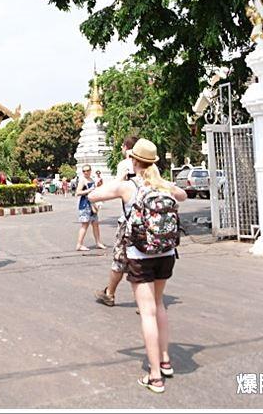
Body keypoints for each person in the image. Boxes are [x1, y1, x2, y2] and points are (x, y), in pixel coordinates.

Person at [88, 138, 187, 393]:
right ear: (154, 162)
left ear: (133, 161)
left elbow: (92, 195)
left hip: (140, 255)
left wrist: (121, 176)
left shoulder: (128, 187)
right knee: (159, 305)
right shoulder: (165, 185)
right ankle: (165, 361)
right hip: (166, 252)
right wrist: (165, 183)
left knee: (147, 312)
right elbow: (184, 196)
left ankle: (155, 376)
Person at [95, 135, 138, 307]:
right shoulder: (151, 166)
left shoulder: (125, 164)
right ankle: (147, 301)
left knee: (120, 259)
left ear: (126, 148)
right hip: (148, 219)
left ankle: (110, 294)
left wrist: (98, 198)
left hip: (129, 220)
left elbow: (116, 185)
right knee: (141, 260)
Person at [75, 164, 106, 251]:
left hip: (93, 204)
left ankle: (98, 242)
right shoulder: (82, 180)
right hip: (85, 204)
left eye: (87, 170)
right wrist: (88, 190)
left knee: (95, 224)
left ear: (90, 170)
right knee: (85, 225)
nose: (86, 172)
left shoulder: (92, 179)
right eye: (84, 171)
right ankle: (79, 244)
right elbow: (77, 192)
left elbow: (97, 188)